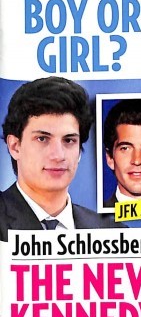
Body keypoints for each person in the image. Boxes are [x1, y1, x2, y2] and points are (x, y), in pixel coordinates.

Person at [0, 76, 117, 236]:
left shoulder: (113, 233)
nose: (58, 155)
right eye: (42, 139)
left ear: (79, 151)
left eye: (69, 140)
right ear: (15, 146)